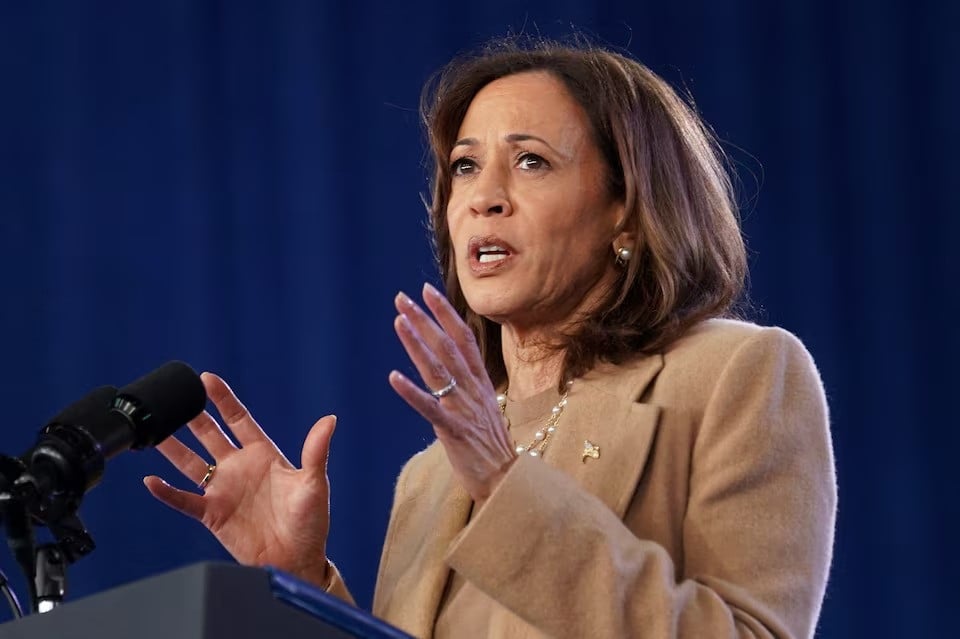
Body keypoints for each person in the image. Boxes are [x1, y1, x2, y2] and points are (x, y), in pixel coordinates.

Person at [144, 38, 837, 639]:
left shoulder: (737, 374)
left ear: (627, 209)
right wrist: (300, 584)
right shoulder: (430, 475)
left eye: (531, 161)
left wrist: (508, 490)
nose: (483, 197)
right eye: (465, 167)